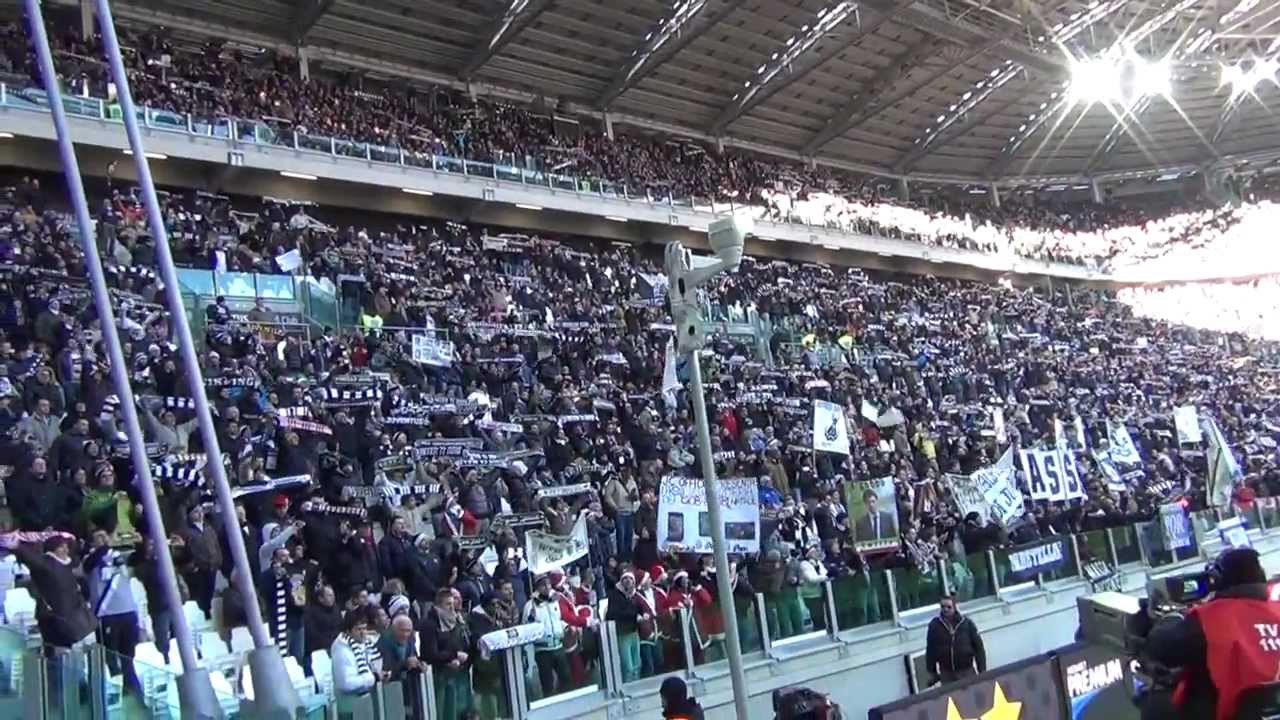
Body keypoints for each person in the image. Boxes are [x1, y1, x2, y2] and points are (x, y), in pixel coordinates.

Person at [1147, 547, 1280, 720]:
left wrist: (1168, 618)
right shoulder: (1276, 610)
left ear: (1218, 580)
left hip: (1226, 713)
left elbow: (1161, 647)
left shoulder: (1211, 619)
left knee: (1155, 705)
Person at [924, 594, 986, 686]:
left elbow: (979, 648)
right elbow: (931, 650)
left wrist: (982, 671)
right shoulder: (935, 626)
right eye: (943, 607)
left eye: (949, 607)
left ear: (954, 607)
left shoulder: (966, 624)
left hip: (966, 671)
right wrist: (932, 672)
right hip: (946, 673)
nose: (945, 610)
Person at [331, 608, 377, 719]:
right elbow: (346, 684)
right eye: (358, 629)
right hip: (349, 708)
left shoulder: (363, 645)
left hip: (363, 702)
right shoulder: (341, 650)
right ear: (348, 631)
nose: (363, 633)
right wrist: (370, 678)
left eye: (364, 628)